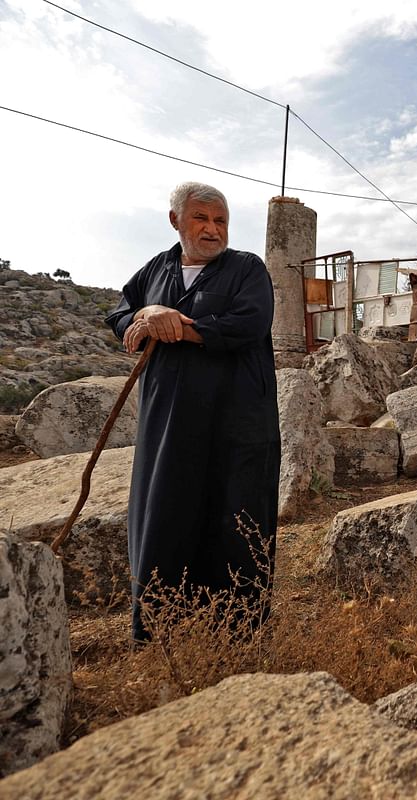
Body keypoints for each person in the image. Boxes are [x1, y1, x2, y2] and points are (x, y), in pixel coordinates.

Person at [106, 181, 280, 643]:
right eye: (201, 218)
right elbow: (120, 314)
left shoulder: (246, 268)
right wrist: (145, 316)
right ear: (176, 221)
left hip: (236, 420)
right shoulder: (156, 270)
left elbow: (250, 322)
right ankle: (163, 629)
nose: (212, 229)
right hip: (168, 420)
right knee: (166, 509)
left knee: (235, 516)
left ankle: (237, 632)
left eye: (220, 220)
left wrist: (180, 327)